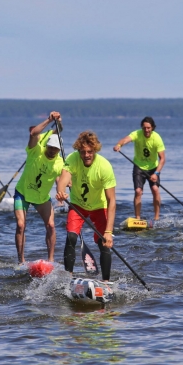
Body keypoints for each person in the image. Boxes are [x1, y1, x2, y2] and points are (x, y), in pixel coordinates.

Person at [56, 131, 116, 281]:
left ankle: (106, 282)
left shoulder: (104, 166)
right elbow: (63, 179)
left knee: (104, 243)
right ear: (78, 151)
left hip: (99, 206)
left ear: (95, 150)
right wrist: (61, 192)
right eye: (83, 152)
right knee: (71, 237)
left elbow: (112, 201)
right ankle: (67, 279)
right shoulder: (72, 159)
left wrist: (108, 232)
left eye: (90, 152)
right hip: (78, 205)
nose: (86, 155)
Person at [13, 111, 64, 264]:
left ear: (59, 150)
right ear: (46, 145)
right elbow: (33, 133)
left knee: (51, 225)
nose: (52, 151)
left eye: (55, 149)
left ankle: (51, 260)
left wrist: (63, 190)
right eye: (50, 147)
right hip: (22, 193)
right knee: (21, 225)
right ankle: (21, 261)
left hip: (41, 197)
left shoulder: (60, 162)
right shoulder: (35, 150)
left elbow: (62, 179)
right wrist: (49, 120)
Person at [113, 116, 166, 221]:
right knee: (138, 191)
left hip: (153, 168)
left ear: (152, 128)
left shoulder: (157, 138)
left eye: (148, 128)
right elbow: (125, 139)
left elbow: (163, 159)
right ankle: (137, 218)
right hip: (139, 167)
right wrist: (119, 145)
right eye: (144, 128)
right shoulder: (137, 134)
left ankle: (156, 218)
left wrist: (156, 173)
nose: (146, 130)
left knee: (155, 189)